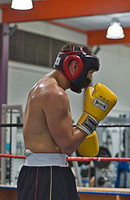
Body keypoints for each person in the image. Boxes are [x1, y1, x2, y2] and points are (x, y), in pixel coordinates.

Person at [17, 43, 117, 200]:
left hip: (48, 171)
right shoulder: (54, 93)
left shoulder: (43, 86)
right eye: (89, 72)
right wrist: (91, 119)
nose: (89, 78)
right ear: (74, 65)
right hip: (46, 174)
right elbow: (68, 145)